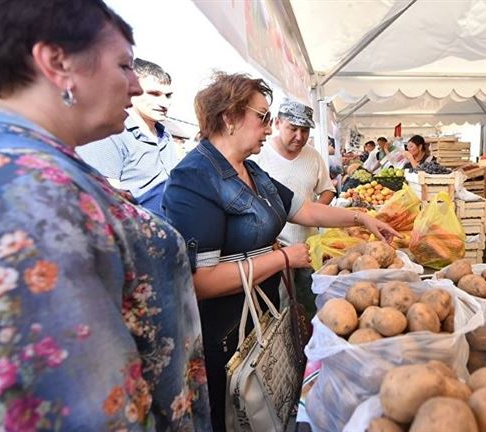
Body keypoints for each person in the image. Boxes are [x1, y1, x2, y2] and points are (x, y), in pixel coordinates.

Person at [0, 1, 210, 430]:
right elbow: (82, 403)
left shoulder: (33, 169)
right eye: (124, 65)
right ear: (57, 62)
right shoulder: (27, 195)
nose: (136, 87)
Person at [161, 72, 398, 431]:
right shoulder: (193, 180)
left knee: (268, 409)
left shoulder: (252, 171)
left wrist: (360, 217)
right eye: (262, 117)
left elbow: (305, 209)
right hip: (227, 334)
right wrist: (283, 258)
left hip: (264, 313)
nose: (269, 127)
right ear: (229, 117)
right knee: (237, 413)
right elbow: (201, 281)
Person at [254, 98, 336, 314]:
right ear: (278, 123)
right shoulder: (259, 156)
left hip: (309, 246)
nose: (300, 137)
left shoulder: (313, 156)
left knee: (311, 303)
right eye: (293, 128)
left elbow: (328, 189)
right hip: (274, 250)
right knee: (281, 309)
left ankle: (308, 344)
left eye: (305, 130)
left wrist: (314, 211)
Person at [76, 58, 179, 218]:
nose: (165, 103)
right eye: (154, 94)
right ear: (131, 90)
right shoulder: (109, 136)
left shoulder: (166, 137)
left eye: (168, 95)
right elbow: (105, 204)